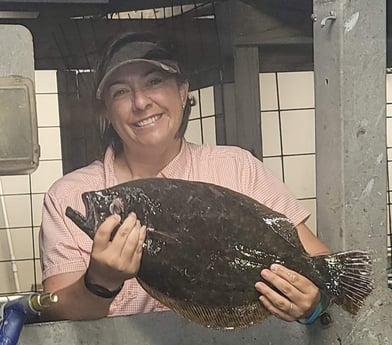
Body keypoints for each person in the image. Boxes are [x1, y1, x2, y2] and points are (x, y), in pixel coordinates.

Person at [39, 31, 331, 323]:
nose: (140, 102)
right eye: (121, 92)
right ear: (106, 111)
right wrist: (100, 280)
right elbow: (60, 315)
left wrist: (313, 303)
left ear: (182, 91)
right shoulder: (69, 195)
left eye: (154, 82)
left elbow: (319, 266)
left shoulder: (237, 167)